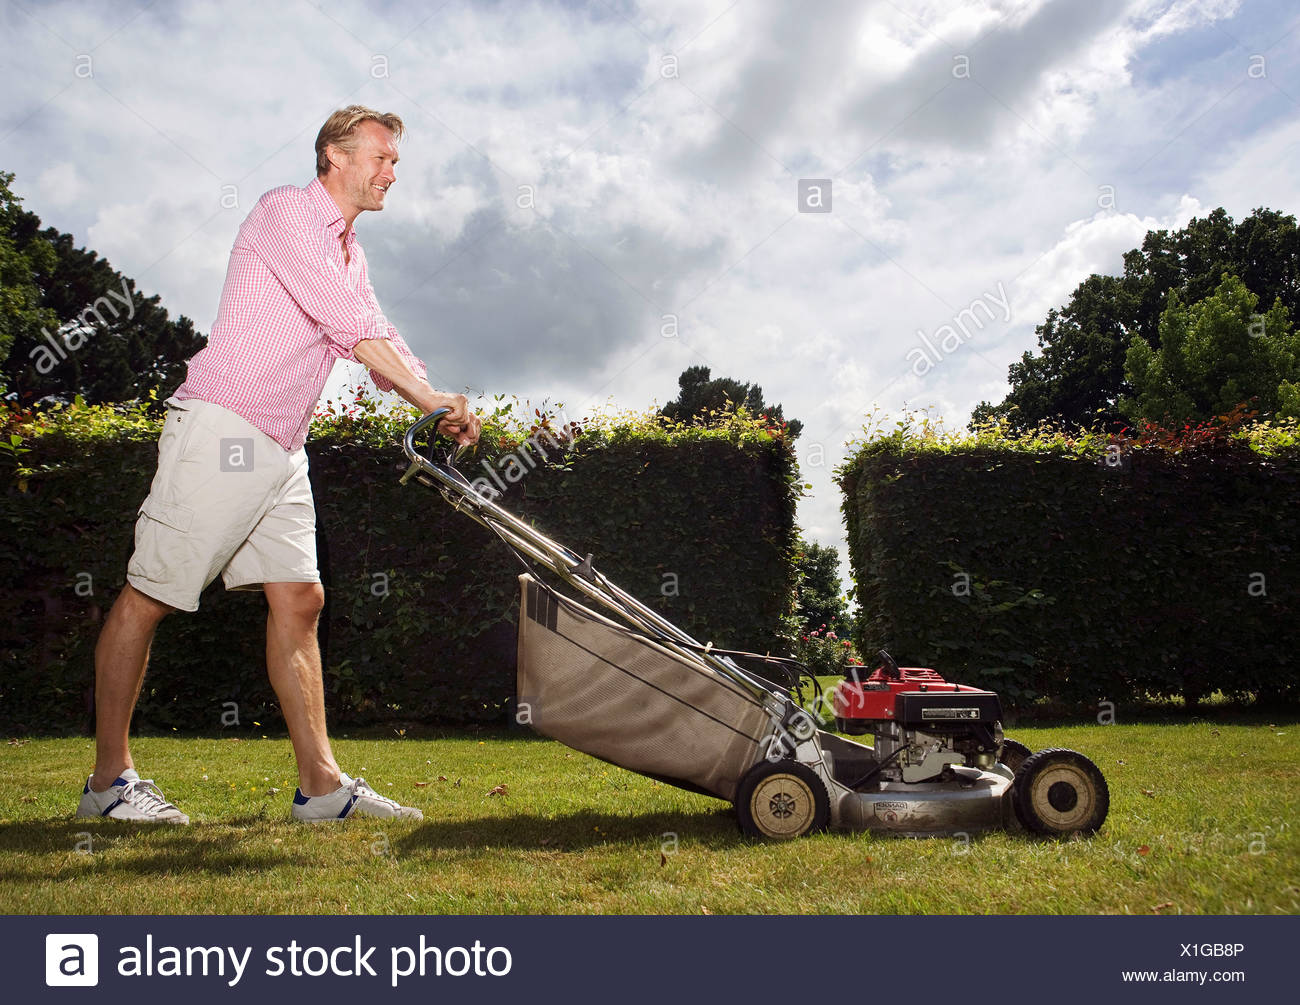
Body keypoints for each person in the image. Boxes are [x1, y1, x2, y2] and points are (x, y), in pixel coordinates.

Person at [76, 105, 481, 824]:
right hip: (225, 428)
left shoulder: (351, 251)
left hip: (283, 449)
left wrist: (436, 396)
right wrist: (427, 394)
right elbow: (347, 326)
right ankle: (109, 783)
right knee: (152, 593)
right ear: (334, 154)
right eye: (382, 158)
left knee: (300, 600)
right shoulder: (286, 214)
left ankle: (321, 790)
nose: (393, 173)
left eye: (395, 163)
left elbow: (379, 332)